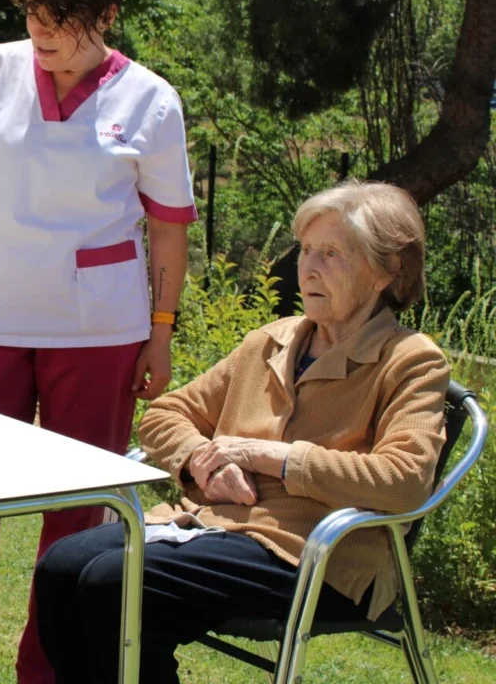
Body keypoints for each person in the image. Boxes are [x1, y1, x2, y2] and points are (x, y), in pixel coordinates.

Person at [0, 0, 197, 683]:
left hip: (97, 332)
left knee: (76, 520)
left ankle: (45, 672)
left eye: (62, 17)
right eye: (35, 10)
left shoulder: (151, 100)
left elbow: (168, 231)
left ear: (107, 14)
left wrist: (160, 335)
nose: (42, 29)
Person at [33, 180, 449, 683]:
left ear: (386, 271)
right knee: (61, 567)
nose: (309, 267)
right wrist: (199, 458)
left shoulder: (411, 361)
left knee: (113, 583)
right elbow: (165, 414)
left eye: (333, 253)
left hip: (314, 553)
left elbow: (404, 481)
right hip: (215, 527)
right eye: (307, 250)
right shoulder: (270, 341)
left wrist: (269, 456)